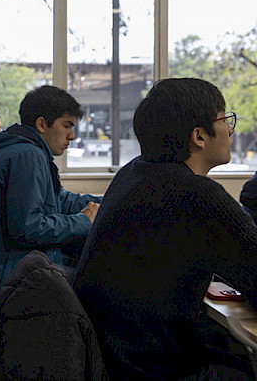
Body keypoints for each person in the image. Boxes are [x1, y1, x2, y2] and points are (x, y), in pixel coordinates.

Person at [73, 78, 257, 380]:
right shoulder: (198, 195)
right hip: (151, 368)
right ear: (199, 136)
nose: (231, 130)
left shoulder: (133, 172)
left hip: (112, 355)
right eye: (225, 119)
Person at [0, 85, 102, 312]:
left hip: (1, 269)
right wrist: (84, 222)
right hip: (7, 280)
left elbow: (56, 200)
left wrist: (105, 201)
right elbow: (28, 228)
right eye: (67, 126)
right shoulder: (27, 156)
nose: (72, 136)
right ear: (42, 124)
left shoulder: (23, 151)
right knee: (103, 282)